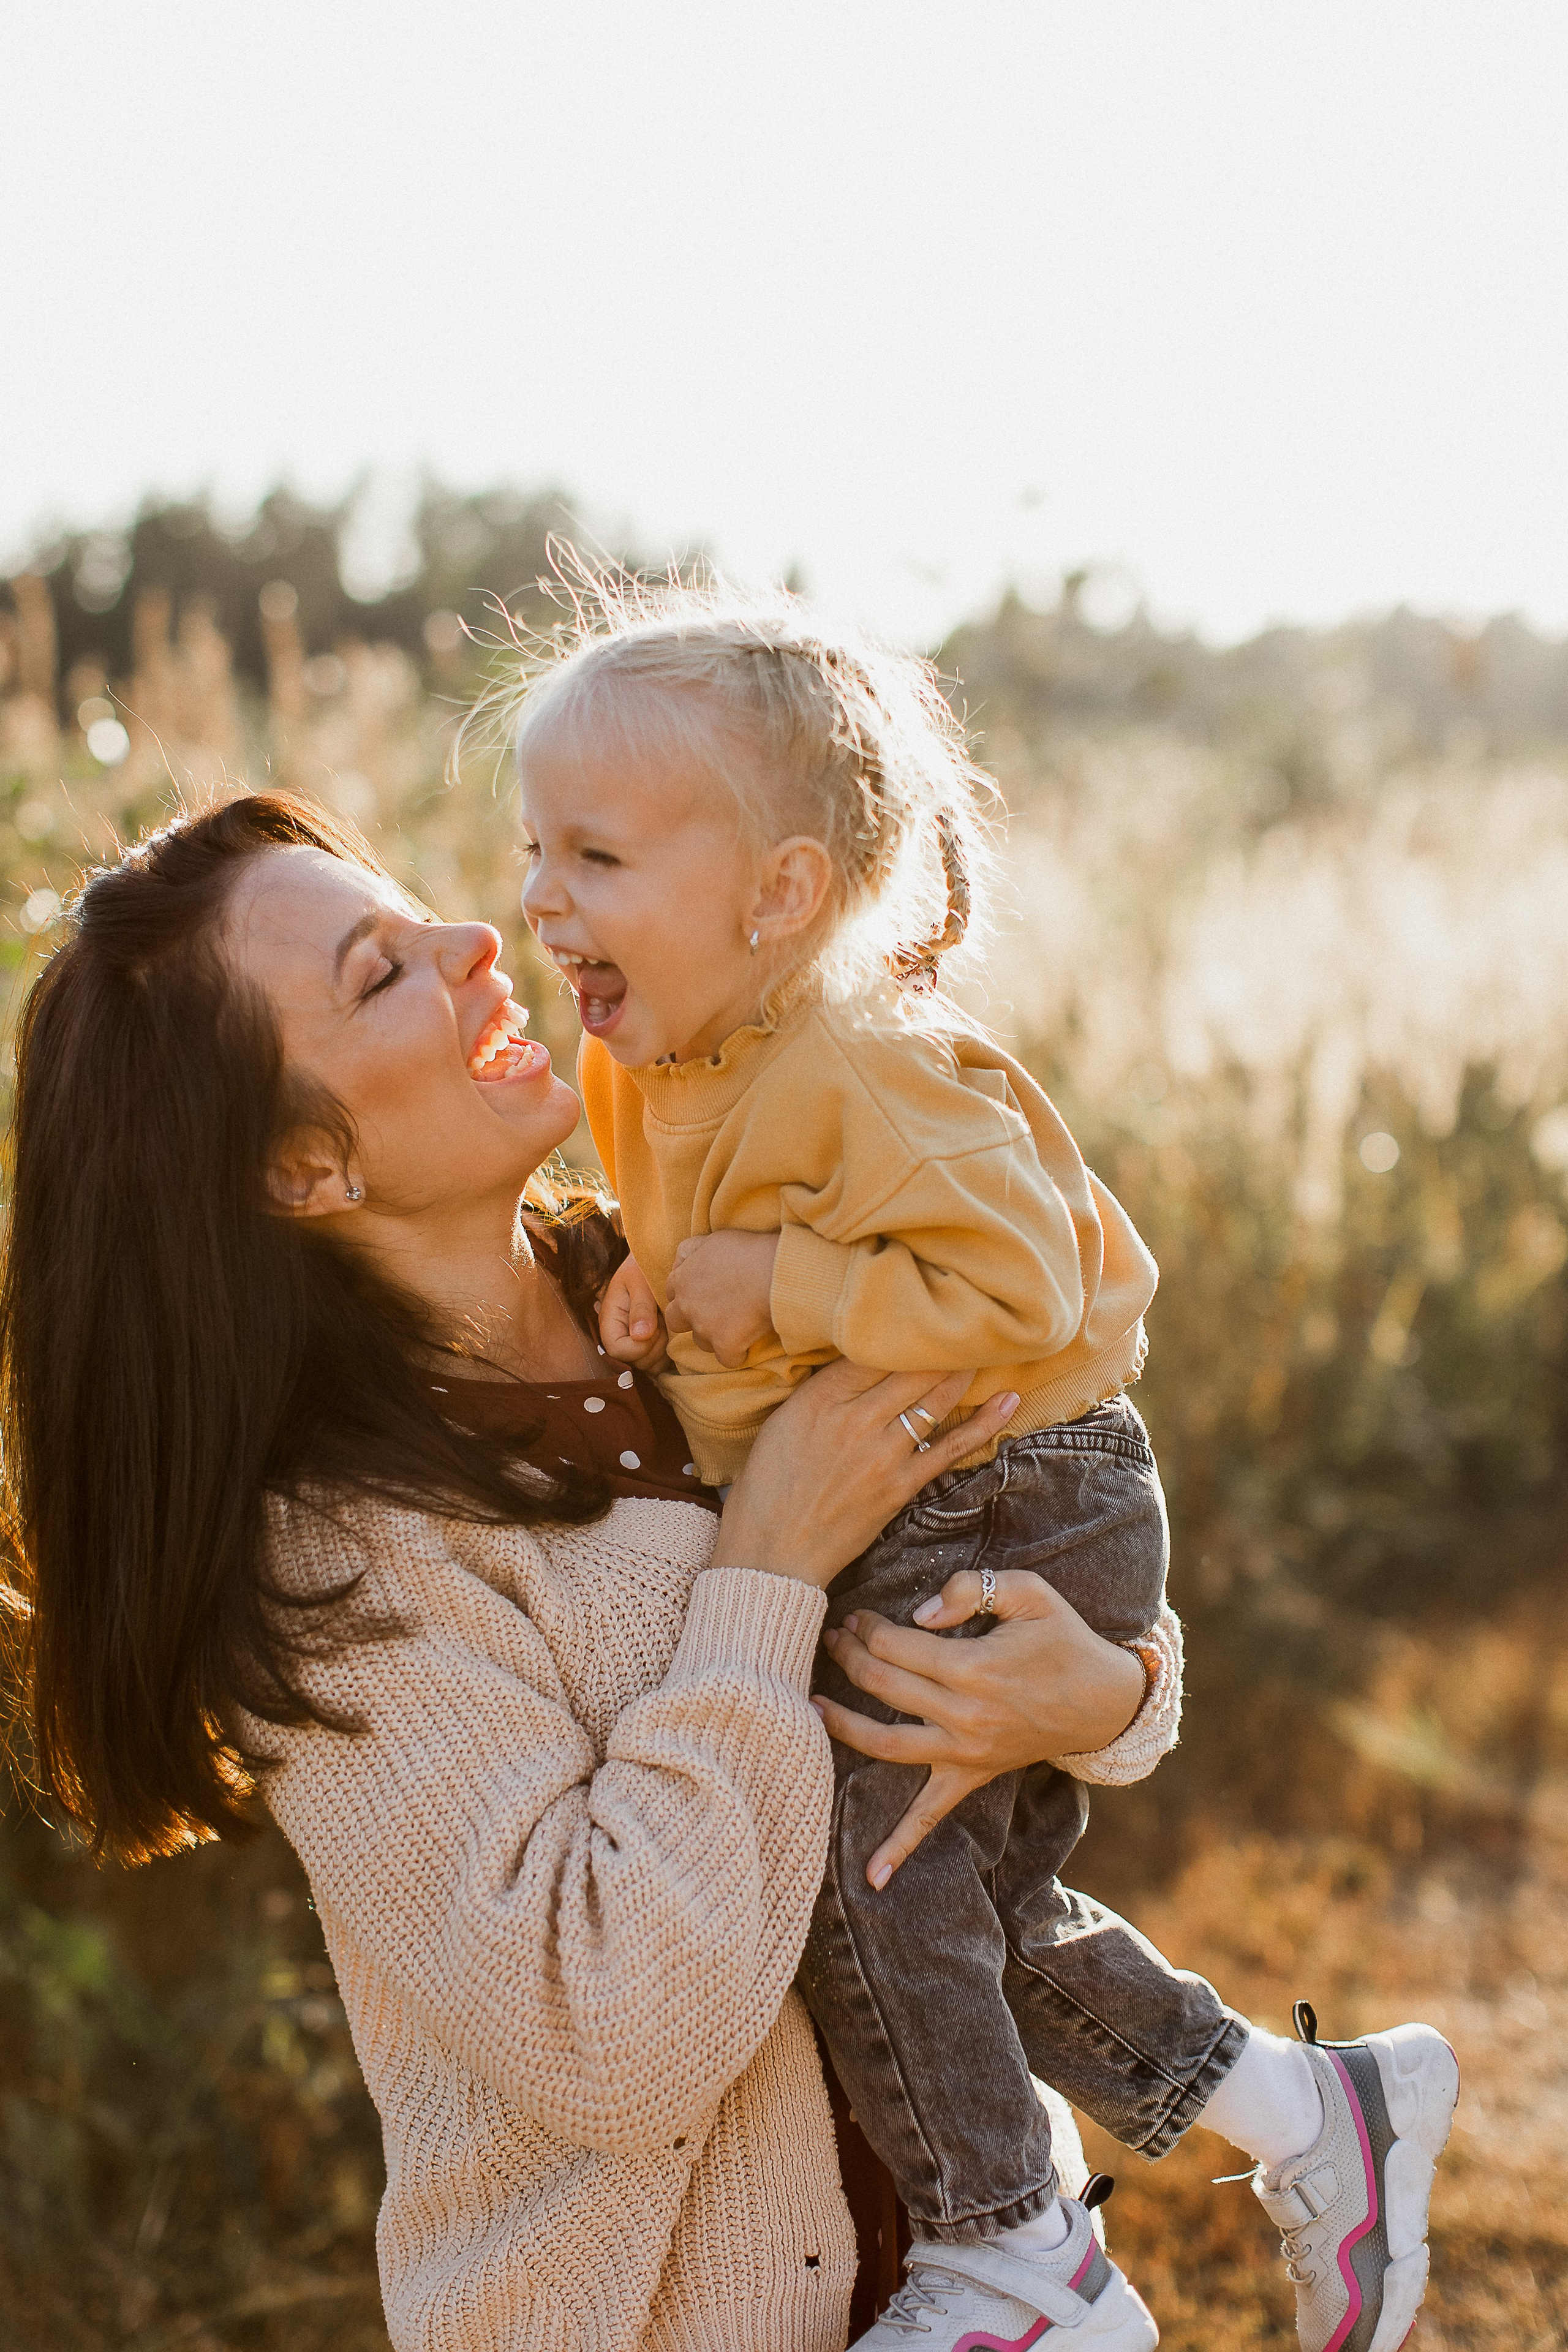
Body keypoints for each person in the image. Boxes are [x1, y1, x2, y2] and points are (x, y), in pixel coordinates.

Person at [2, 791, 1182, 2352]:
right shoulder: (338, 1566)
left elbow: (1045, 1523)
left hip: (1003, 2288)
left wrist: (1107, 1692)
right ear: (303, 1168)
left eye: (419, 911)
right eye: (380, 974)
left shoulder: (702, 1295)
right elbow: (609, 2029)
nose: (477, 943)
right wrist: (765, 1568)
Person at [507, 575, 1460, 2352]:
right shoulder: (649, 1065)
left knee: (874, 1869)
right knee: (945, 1893)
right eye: (534, 848)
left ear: (782, 896)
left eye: (595, 858)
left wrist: (774, 1285)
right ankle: (1308, 2116)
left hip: (1022, 1475)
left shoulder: (873, 1059)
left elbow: (1020, 1284)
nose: (543, 896)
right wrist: (667, 1294)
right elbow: (730, 1249)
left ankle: (1013, 2244)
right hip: (917, 1479)